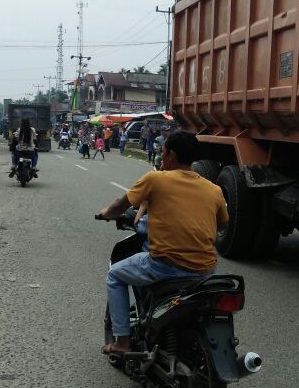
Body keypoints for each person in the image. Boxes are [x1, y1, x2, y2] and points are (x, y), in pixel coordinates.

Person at [98, 131, 229, 355]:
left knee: (115, 276)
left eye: (163, 151)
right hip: (206, 271)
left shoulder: (155, 179)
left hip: (165, 267)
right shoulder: (214, 189)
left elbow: (120, 206)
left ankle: (122, 342)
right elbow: (223, 223)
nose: (161, 155)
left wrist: (105, 213)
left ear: (171, 155)